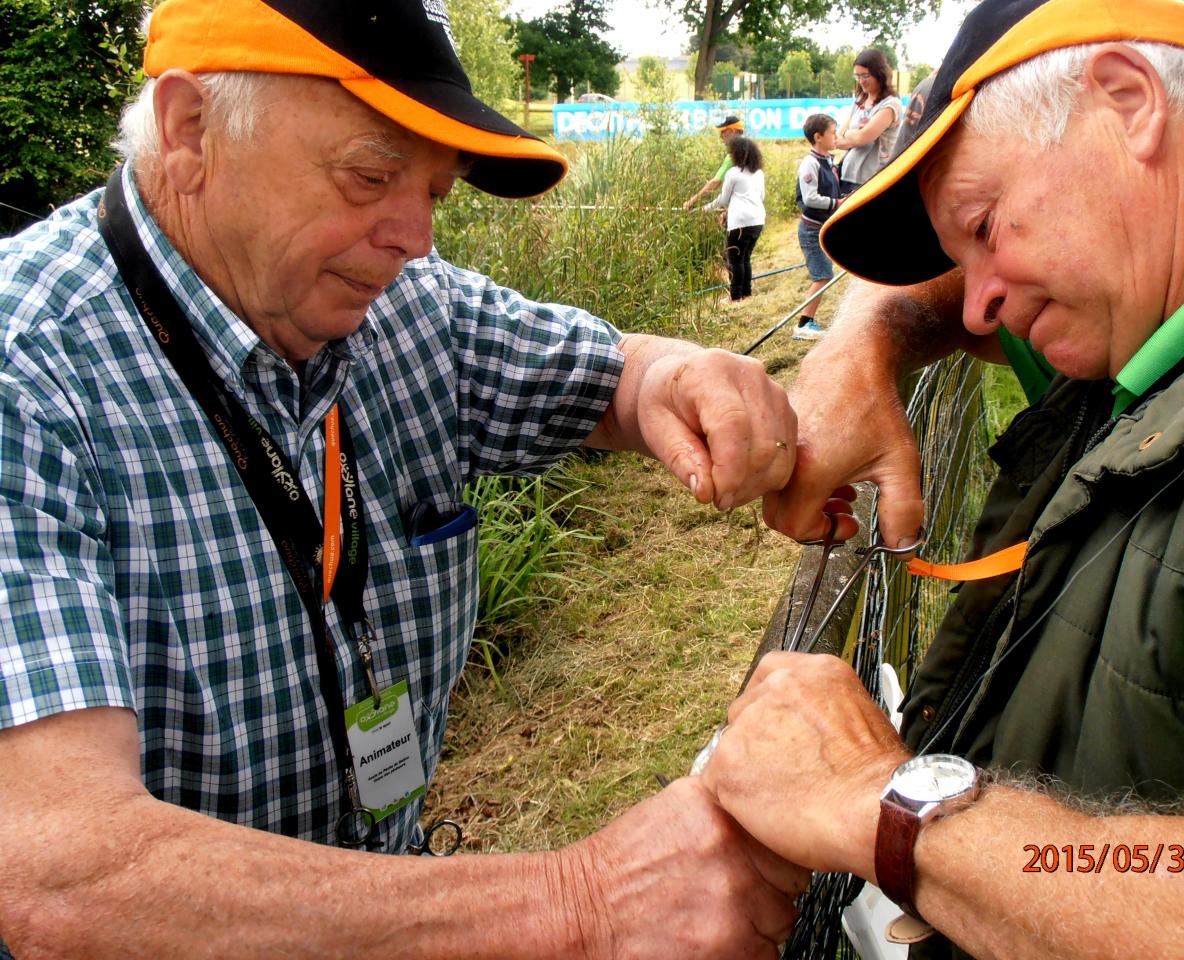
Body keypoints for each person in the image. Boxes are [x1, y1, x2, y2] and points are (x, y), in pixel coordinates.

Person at [0, 2, 811, 957]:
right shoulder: (26, 372)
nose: (416, 238)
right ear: (190, 131)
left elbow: (618, 382)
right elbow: (59, 872)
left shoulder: (398, 306)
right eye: (372, 175)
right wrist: (578, 905)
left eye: (438, 192)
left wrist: (682, 378)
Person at [705, 0, 1184, 956]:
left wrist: (879, 805)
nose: (978, 306)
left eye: (983, 225)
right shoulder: (1160, 330)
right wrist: (859, 348)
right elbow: (937, 299)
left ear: (1129, 103)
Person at [793, 112, 842, 340]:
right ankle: (803, 325)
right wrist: (836, 203)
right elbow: (811, 198)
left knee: (824, 275)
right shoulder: (810, 164)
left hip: (823, 227)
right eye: (833, 133)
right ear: (818, 136)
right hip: (811, 230)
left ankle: (807, 321)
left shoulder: (828, 161)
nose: (836, 137)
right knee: (822, 276)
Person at [702, 135, 766, 304]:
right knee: (745, 258)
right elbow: (762, 196)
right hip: (758, 220)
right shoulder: (758, 173)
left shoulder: (733, 173)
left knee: (735, 260)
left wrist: (705, 208)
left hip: (740, 222)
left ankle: (735, 296)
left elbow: (723, 199)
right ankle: (746, 293)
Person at [835, 48, 903, 194]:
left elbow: (863, 138)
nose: (861, 81)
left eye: (865, 76)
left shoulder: (890, 105)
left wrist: (853, 136)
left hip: (873, 180)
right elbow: (839, 136)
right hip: (847, 175)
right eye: (857, 76)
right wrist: (855, 135)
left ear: (880, 74)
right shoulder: (860, 101)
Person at [681, 114, 745, 210]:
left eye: (723, 131)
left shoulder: (734, 156)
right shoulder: (752, 153)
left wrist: (692, 201)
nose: (721, 136)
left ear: (732, 131)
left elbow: (715, 182)